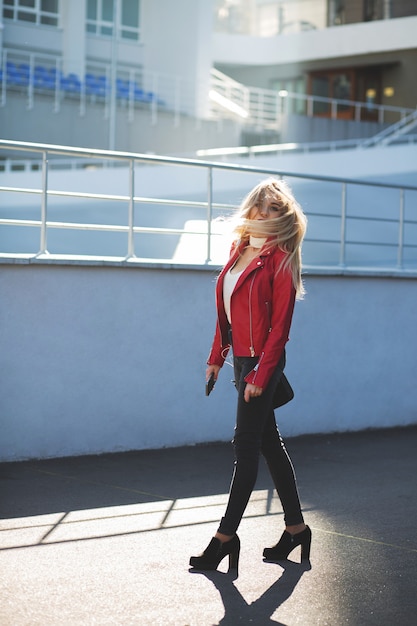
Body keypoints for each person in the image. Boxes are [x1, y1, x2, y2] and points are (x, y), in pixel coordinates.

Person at [189, 177, 311, 573]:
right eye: (259, 205)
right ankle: (296, 529)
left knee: (245, 447)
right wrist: (216, 357)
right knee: (269, 444)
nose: (262, 213)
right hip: (241, 361)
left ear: (284, 215)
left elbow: (281, 328)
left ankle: (224, 538)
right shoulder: (238, 250)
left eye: (273, 208)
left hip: (263, 364)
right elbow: (225, 310)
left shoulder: (281, 259)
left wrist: (260, 373)